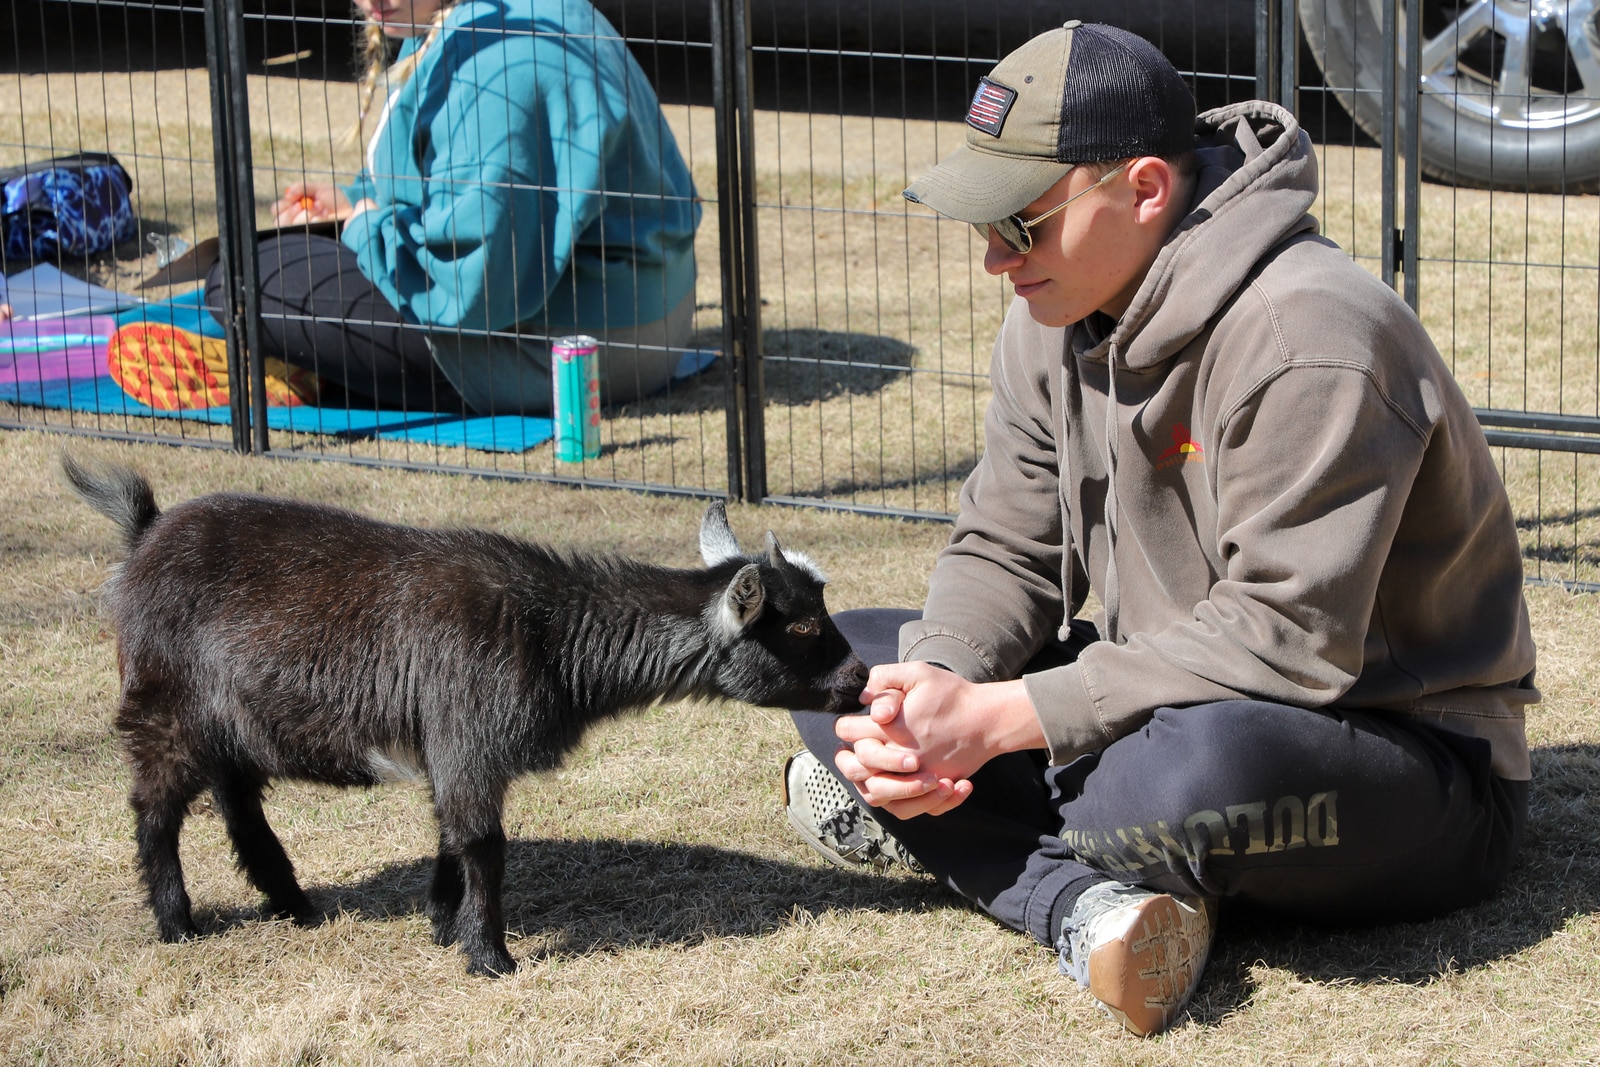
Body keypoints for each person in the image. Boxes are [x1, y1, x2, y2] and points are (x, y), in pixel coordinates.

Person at [782, 21, 1539, 1038]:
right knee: (831, 666)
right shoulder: (1054, 309)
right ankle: (1099, 897)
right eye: (983, 227)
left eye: (1019, 223)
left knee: (1195, 778)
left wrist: (1001, 723)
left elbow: (1288, 638)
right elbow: (1007, 542)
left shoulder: (1312, 334)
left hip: (1384, 748)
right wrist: (934, 687)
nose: (994, 261)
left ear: (1143, 189)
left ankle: (1021, 867)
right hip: (1157, 695)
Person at [110, 0, 701, 415]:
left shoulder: (495, 60)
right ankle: (315, 360)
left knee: (242, 278)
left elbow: (473, 292)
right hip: (644, 322)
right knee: (282, 256)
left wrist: (366, 224)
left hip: (574, 353)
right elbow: (473, 195)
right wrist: (355, 204)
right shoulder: (507, 14)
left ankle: (313, 373)